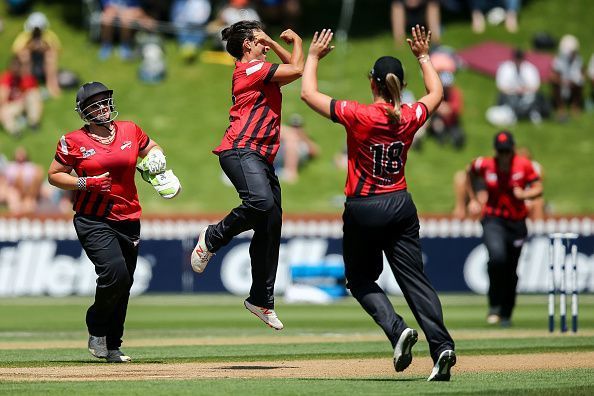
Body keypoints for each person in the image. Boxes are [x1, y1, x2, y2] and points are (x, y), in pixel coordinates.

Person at [301, 25, 456, 381]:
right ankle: (442, 346)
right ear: (398, 84)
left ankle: (396, 328)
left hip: (365, 206)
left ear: (373, 83)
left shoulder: (359, 114)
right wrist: (422, 56)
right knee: (415, 282)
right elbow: (437, 92)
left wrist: (312, 57)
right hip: (401, 203)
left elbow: (308, 94)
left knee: (358, 279)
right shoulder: (410, 116)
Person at [190, 21, 304, 331]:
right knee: (261, 204)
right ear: (247, 48)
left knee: (270, 226)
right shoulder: (249, 70)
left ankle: (261, 300)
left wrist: (286, 43)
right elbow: (297, 69)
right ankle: (212, 237)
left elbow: (294, 67)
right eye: (260, 41)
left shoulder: (262, 72)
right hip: (241, 149)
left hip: (261, 157)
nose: (265, 44)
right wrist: (291, 42)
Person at [47, 81, 170, 362]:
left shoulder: (130, 129)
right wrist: (84, 182)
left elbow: (152, 148)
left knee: (124, 283)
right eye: (94, 105)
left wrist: (157, 161)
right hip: (93, 219)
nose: (102, 108)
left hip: (128, 217)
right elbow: (54, 175)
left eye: (104, 102)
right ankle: (96, 327)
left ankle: (113, 345)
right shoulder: (73, 141)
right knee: (116, 273)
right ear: (84, 112)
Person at [466, 130, 543, 327]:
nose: (504, 155)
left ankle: (506, 312)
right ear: (496, 151)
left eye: (507, 151)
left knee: (511, 270)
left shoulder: (524, 165)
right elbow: (469, 171)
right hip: (493, 219)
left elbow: (538, 187)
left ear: (512, 150)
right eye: (501, 151)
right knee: (497, 258)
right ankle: (494, 305)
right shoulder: (485, 164)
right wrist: (473, 199)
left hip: (517, 223)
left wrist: (525, 195)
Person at [12, 11, 61, 97]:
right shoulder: (25, 36)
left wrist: (43, 48)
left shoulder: (48, 35)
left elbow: (56, 49)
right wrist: (31, 47)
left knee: (50, 56)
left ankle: (52, 86)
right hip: (27, 66)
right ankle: (25, 85)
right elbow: (16, 50)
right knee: (25, 55)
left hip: (42, 66)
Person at [495, 49, 548, 123]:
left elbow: (536, 87)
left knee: (538, 96)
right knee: (503, 97)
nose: (518, 62)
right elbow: (501, 86)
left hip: (527, 95)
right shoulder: (505, 68)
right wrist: (513, 90)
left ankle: (533, 113)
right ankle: (511, 114)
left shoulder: (530, 69)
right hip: (510, 95)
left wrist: (524, 90)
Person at [0, 56, 43, 136]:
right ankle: (14, 130)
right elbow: (2, 99)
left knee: (33, 95)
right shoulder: (6, 78)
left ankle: (34, 122)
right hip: (12, 105)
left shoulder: (26, 77)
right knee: (2, 112)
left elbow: (34, 93)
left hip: (24, 102)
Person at [274, 114, 319, 183]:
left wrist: (303, 136)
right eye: (293, 126)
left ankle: (290, 172)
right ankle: (289, 172)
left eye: (298, 126)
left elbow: (315, 152)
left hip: (299, 154)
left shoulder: (305, 139)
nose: (296, 129)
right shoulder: (286, 135)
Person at [551, 34, 585, 121]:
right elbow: (553, 76)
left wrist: (575, 81)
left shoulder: (578, 60)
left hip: (573, 85)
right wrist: (562, 81)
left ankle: (575, 106)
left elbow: (582, 74)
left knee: (580, 83)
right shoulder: (559, 60)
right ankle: (560, 108)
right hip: (562, 84)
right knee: (555, 84)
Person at [2, 146, 44, 214]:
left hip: (30, 190)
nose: (20, 155)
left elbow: (38, 176)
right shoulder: (11, 166)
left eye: (22, 153)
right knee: (14, 195)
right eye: (19, 153)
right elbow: (6, 181)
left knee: (30, 203)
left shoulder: (30, 166)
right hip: (15, 189)